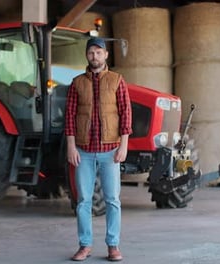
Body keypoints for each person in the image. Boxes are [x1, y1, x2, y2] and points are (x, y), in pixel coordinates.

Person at [65, 37, 132, 262]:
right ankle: (85, 245)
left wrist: (124, 145)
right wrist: (71, 146)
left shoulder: (117, 80)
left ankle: (113, 245)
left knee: (112, 199)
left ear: (106, 55)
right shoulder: (77, 83)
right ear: (87, 55)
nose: (95, 56)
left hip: (110, 151)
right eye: (91, 52)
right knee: (83, 200)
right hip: (83, 151)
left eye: (99, 52)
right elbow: (70, 117)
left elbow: (125, 113)